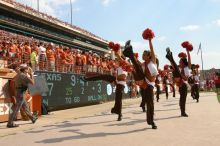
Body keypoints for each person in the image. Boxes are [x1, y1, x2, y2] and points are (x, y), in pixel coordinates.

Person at [123, 40, 158, 129]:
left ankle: (152, 121)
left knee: (150, 103)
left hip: (149, 85)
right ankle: (129, 50)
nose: (143, 55)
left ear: (149, 56)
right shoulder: (142, 64)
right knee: (137, 65)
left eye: (144, 54)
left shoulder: (152, 61)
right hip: (143, 84)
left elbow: (152, 49)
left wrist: (150, 40)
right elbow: (136, 65)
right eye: (142, 54)